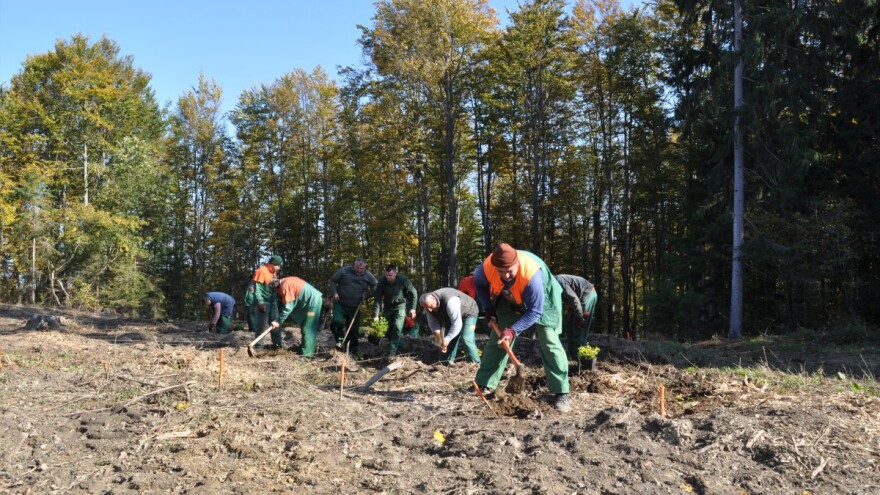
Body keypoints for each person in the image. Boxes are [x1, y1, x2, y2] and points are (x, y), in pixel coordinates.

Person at [473, 243, 570, 413]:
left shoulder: (532, 276)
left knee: (548, 339)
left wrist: (513, 330)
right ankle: (484, 383)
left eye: (510, 270)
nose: (506, 275)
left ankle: (561, 392)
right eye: (501, 272)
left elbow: (535, 311)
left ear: (517, 262)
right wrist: (488, 308)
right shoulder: (486, 268)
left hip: (543, 301)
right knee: (499, 339)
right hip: (508, 296)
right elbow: (479, 285)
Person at [419, 288, 481, 365]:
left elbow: (457, 324)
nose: (430, 310)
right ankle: (445, 365)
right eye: (427, 308)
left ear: (434, 298)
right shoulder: (428, 306)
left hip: (468, 312)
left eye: (431, 306)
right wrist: (440, 340)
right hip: (450, 316)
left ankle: (475, 364)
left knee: (466, 338)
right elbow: (433, 324)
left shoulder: (450, 301)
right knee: (445, 341)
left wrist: (447, 339)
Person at [329, 258, 378, 356]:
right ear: (353, 265)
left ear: (365, 267)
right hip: (340, 303)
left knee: (353, 329)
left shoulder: (368, 275)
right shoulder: (344, 271)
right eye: (357, 268)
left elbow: (376, 286)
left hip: (355, 306)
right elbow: (333, 281)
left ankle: (353, 350)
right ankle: (339, 340)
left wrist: (367, 295)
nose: (359, 270)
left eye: (362, 268)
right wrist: (334, 293)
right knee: (336, 322)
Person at [268, 277, 323, 357]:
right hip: (311, 302)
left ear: (276, 288)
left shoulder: (285, 286)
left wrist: (277, 321)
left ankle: (307, 354)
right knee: (305, 327)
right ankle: (305, 348)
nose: (277, 294)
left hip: (313, 303)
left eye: (275, 292)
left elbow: (288, 307)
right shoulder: (286, 282)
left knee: (308, 328)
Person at [372, 264, 418, 358]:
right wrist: (376, 315)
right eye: (387, 275)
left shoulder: (403, 280)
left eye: (391, 275)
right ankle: (401, 344)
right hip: (388, 307)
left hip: (400, 306)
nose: (389, 277)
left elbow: (414, 292)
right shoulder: (382, 282)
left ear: (395, 273)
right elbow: (377, 298)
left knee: (397, 327)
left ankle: (391, 353)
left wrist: (413, 308)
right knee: (388, 330)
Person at [555, 274, 598, 359]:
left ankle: (581, 357)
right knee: (570, 326)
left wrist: (579, 317)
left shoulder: (558, 282)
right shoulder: (551, 285)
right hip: (577, 299)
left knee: (578, 326)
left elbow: (574, 299)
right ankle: (572, 356)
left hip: (588, 294)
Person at [248, 255, 283, 349]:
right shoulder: (261, 271)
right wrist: (260, 303)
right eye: (278, 266)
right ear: (273, 264)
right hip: (264, 302)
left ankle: (277, 346)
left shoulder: (274, 272)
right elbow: (257, 289)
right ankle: (259, 347)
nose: (279, 268)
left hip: (273, 301)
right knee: (262, 326)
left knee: (276, 323)